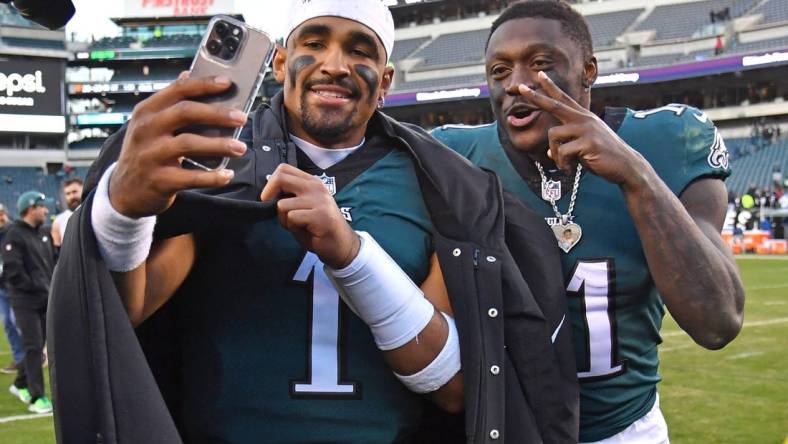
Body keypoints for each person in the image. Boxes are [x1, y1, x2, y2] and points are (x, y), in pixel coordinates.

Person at [49, 1, 577, 442]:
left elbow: (455, 385)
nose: (334, 64)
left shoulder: (435, 185)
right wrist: (125, 213)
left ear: (386, 79)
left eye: (359, 50)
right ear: (279, 64)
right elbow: (123, 315)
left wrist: (353, 257)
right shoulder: (219, 162)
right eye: (314, 43)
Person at [432, 1, 745, 443]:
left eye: (540, 65)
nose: (517, 84)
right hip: (506, 429)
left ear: (588, 71)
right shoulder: (455, 157)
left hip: (625, 430)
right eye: (499, 70)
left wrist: (636, 178)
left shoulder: (666, 140)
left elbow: (719, 321)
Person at [1, 191, 55, 414]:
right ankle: (37, 398)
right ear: (30, 208)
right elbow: (13, 271)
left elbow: (51, 263)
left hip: (45, 298)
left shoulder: (44, 233)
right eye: (42, 206)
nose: (46, 210)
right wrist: (34, 285)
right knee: (33, 347)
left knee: (37, 349)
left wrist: (49, 287)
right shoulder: (13, 234)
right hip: (25, 301)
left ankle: (20, 383)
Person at [0, 203, 25, 375]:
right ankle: (20, 359)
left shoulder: (14, 231)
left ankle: (36, 355)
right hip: (1, 287)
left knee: (19, 322)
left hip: (16, 285)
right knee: (8, 323)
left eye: (0, 213)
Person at [51, 177, 83, 249]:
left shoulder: (94, 213)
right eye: (68, 194)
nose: (71, 196)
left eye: (74, 192)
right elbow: (58, 249)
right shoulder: (58, 221)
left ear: (83, 190)